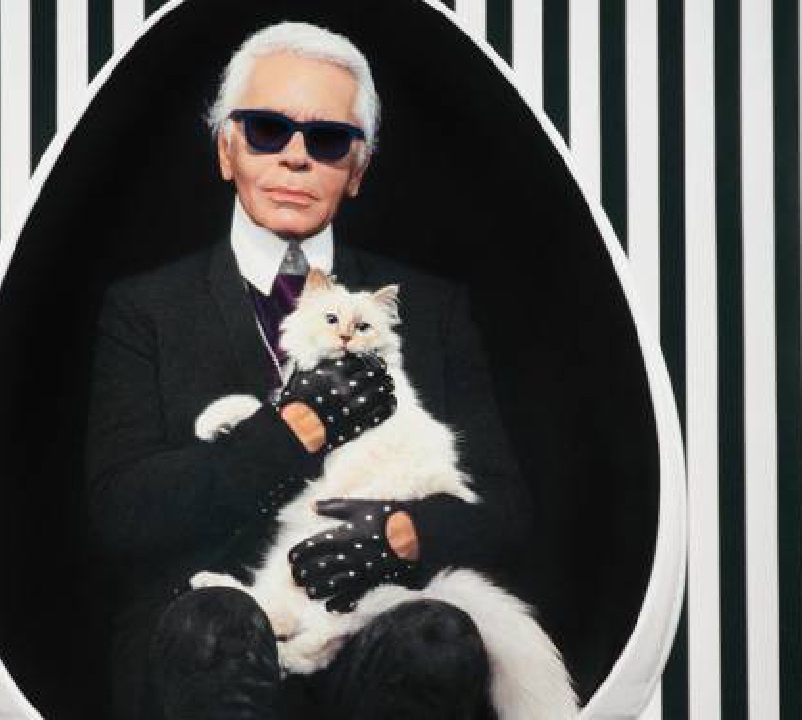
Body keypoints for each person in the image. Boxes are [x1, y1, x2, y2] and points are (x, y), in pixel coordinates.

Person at [84, 20, 531, 720]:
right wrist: (290, 434)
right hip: (203, 645)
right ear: (226, 149)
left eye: (325, 140)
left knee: (434, 642)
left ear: (357, 170)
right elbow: (122, 515)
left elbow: (503, 508)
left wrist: (401, 534)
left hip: (376, 629)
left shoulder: (431, 308)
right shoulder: (147, 309)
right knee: (213, 630)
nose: (295, 157)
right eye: (267, 130)